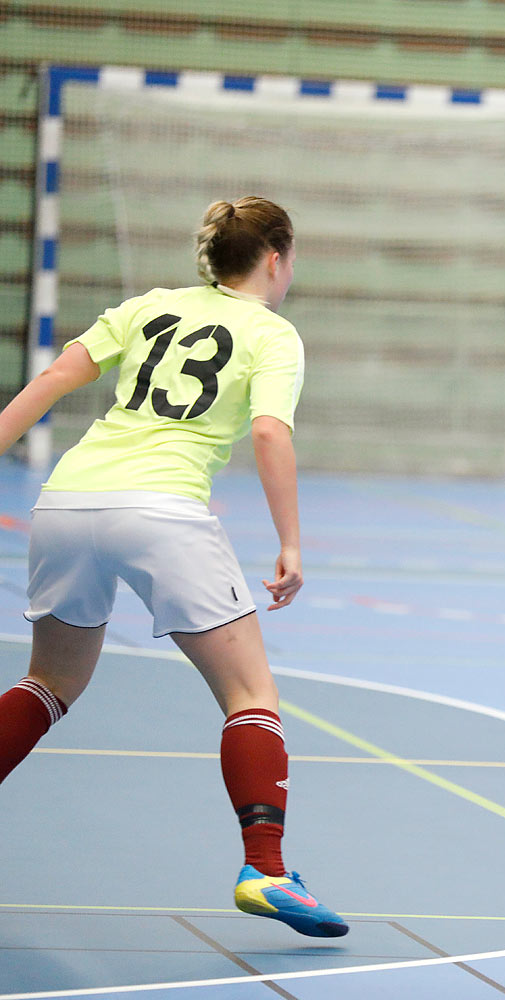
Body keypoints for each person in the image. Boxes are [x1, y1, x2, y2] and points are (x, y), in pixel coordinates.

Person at [0, 196, 347, 937]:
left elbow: (52, 380)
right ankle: (266, 869)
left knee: (49, 683)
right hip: (163, 510)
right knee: (251, 693)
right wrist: (291, 541)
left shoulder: (147, 305)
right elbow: (267, 432)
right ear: (277, 259)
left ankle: (268, 869)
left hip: (67, 499)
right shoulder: (273, 333)